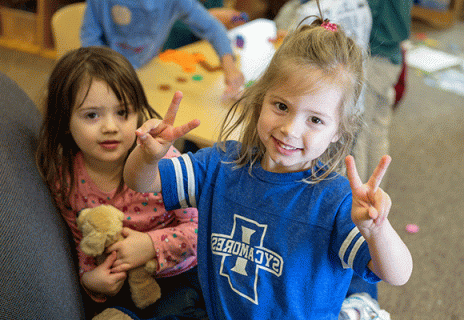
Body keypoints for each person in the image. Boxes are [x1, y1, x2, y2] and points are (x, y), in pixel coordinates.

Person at [123, 11, 413, 319]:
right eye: (281, 106)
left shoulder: (337, 202)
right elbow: (139, 182)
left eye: (315, 120)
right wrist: (149, 156)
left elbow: (397, 274)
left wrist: (378, 231)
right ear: (260, 100)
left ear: (338, 132)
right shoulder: (219, 165)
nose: (290, 129)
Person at [36, 46, 206, 319]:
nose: (110, 127)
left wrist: (151, 245)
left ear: (138, 112)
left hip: (181, 273)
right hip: (124, 286)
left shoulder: (164, 164)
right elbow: (81, 242)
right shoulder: (65, 179)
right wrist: (89, 279)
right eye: (92, 115)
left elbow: (203, 229)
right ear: (65, 120)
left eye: (123, 112)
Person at [80, 0, 245, 96]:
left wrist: (229, 65)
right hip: (107, 73)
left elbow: (212, 27)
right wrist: (105, 71)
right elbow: (89, 36)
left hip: (147, 72)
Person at [352, 0, 412, 188]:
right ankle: (375, 194)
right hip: (391, 55)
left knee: (357, 133)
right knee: (376, 128)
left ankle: (359, 199)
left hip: (373, 55)